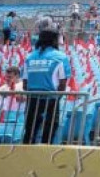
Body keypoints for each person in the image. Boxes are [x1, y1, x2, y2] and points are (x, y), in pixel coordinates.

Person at [22, 17, 71, 145]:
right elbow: (62, 83)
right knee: (49, 131)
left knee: (30, 130)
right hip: (51, 99)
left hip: (32, 99)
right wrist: (56, 98)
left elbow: (25, 83)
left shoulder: (29, 57)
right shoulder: (61, 57)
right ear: (54, 40)